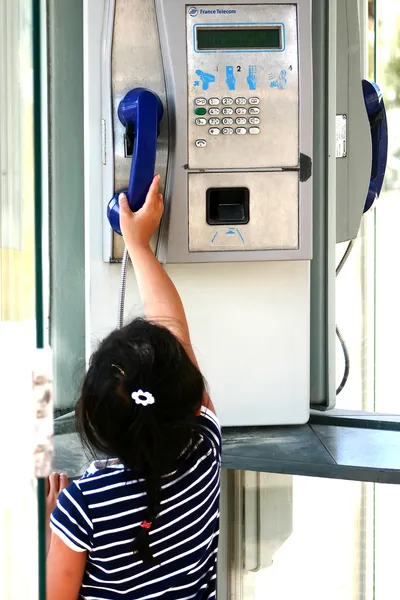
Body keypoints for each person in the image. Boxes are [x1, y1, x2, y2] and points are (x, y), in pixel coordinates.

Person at [46, 175, 221, 599]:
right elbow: (175, 333)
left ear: (90, 418)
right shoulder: (204, 452)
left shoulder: (82, 507)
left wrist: (52, 525)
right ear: (193, 404)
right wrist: (140, 245)